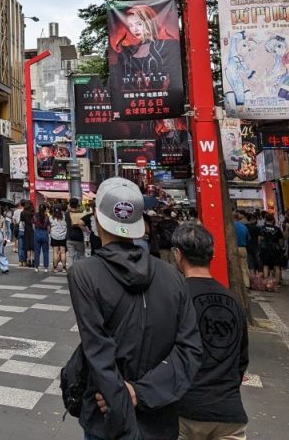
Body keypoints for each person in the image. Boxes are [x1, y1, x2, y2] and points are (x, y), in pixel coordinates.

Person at [65, 177, 201, 440]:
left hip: (108, 414)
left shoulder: (84, 273)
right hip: (161, 414)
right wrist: (143, 391)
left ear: (96, 218)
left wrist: (123, 399)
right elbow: (190, 350)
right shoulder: (173, 276)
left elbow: (99, 351)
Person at [172, 223, 249, 440]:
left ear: (178, 254)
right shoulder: (234, 301)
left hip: (185, 411)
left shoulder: (176, 297)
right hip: (229, 413)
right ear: (212, 255)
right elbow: (242, 359)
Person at [259, 214, 284, 290]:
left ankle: (266, 283)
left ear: (265, 220)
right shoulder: (277, 229)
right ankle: (276, 284)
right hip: (275, 248)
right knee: (277, 266)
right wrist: (280, 248)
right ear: (273, 220)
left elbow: (259, 239)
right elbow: (280, 241)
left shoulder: (262, 228)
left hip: (265, 248)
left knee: (265, 265)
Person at [66, 197, 87, 265]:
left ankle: (71, 270)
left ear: (70, 204)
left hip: (69, 237)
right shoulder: (81, 214)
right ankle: (81, 271)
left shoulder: (67, 214)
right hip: (79, 237)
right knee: (81, 255)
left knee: (71, 256)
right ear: (77, 204)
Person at [233, 210, 250, 289]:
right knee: (243, 267)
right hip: (243, 248)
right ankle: (246, 284)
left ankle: (236, 283)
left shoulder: (230, 226)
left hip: (233, 248)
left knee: (233, 266)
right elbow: (248, 238)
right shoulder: (244, 227)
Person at [49, 205, 68, 272]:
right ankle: (64, 268)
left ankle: (55, 268)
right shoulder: (64, 217)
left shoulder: (51, 217)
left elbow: (49, 227)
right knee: (63, 253)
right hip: (63, 236)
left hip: (54, 236)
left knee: (55, 252)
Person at [32, 203, 51, 273]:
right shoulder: (46, 216)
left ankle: (36, 267)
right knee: (45, 251)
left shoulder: (35, 216)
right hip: (44, 233)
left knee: (37, 251)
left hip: (37, 233)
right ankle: (46, 267)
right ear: (45, 209)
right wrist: (47, 233)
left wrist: (36, 231)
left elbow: (33, 226)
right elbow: (49, 228)